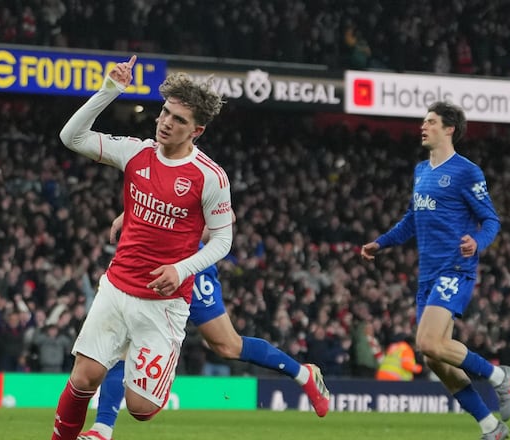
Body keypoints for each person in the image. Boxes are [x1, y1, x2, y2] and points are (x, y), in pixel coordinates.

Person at [51, 56, 234, 440]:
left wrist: (181, 269)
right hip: (117, 288)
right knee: (84, 377)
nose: (167, 122)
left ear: (196, 130)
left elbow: (223, 239)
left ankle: (156, 367)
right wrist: (110, 89)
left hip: (164, 304)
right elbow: (72, 137)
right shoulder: (136, 152)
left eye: (179, 120)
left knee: (141, 409)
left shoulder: (210, 177)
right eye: (165, 113)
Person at [77, 214, 330, 440]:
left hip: (189, 266)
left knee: (227, 345)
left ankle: (303, 374)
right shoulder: (151, 163)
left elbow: (226, 216)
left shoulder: (200, 169)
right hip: (146, 257)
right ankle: (102, 430)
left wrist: (182, 231)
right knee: (124, 339)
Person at [360, 102, 510, 440]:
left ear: (450, 129)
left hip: (455, 267)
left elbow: (491, 219)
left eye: (431, 122)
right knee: (434, 358)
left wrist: (477, 241)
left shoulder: (466, 171)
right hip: (428, 274)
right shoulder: (421, 170)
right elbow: (412, 220)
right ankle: (491, 427)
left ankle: (500, 378)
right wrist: (382, 243)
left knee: (429, 341)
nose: (423, 126)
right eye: (423, 121)